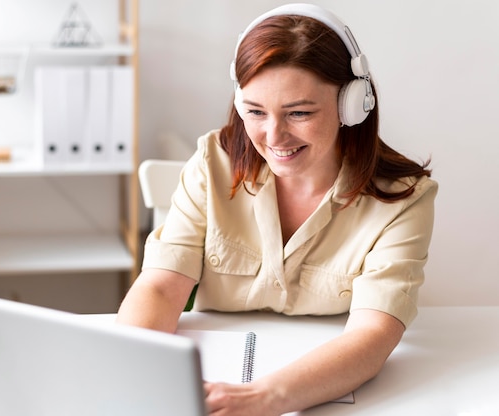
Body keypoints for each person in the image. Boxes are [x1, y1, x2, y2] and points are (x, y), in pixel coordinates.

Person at [117, 3, 437, 415]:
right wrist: (132, 371)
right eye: (254, 112)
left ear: (351, 105)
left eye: (299, 113)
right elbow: (160, 287)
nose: (273, 136)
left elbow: (373, 335)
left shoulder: (404, 198)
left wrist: (263, 398)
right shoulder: (212, 163)